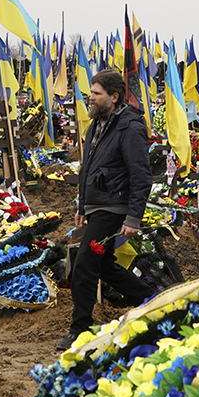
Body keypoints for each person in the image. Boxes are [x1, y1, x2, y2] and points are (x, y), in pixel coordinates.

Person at [56, 69, 156, 350]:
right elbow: (88, 168)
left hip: (115, 205)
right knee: (103, 265)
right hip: (97, 204)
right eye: (91, 92)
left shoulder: (129, 127)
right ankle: (152, 300)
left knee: (85, 263)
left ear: (113, 97)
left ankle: (80, 330)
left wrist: (133, 216)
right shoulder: (95, 125)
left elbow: (141, 174)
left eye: (96, 93)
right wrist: (82, 203)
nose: (91, 97)